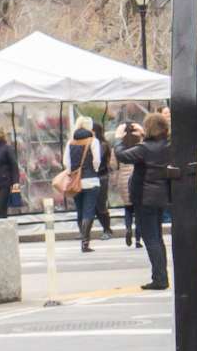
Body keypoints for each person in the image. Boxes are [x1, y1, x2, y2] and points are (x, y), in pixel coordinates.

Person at [119, 110, 174, 290]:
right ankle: (161, 276)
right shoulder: (168, 145)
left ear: (148, 129)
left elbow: (123, 155)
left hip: (144, 197)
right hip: (161, 196)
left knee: (151, 238)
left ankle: (159, 278)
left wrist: (119, 139)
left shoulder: (145, 149)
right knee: (157, 238)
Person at [64, 123, 110, 252]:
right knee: (88, 211)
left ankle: (82, 237)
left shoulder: (70, 143)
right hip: (91, 180)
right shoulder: (93, 141)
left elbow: (66, 162)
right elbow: (97, 160)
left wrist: (72, 171)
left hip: (75, 182)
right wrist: (93, 170)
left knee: (80, 209)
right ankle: (85, 242)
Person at [115, 123, 143, 247]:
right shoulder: (140, 144)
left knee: (128, 208)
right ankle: (138, 239)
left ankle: (128, 228)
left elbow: (112, 163)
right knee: (138, 209)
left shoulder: (120, 146)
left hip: (123, 179)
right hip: (137, 177)